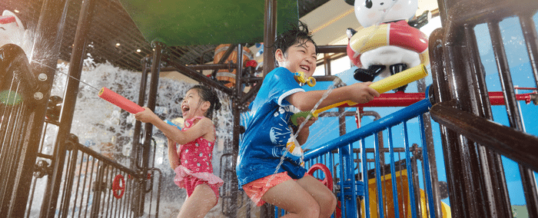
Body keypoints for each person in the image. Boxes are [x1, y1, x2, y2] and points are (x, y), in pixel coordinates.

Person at [237, 21, 380, 218]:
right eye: (302, 52)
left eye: (314, 56)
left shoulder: (291, 93)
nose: (310, 59)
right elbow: (303, 102)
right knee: (308, 210)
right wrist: (349, 92)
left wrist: (301, 125)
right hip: (258, 163)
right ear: (280, 55)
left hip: (283, 162)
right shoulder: (279, 75)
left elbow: (300, 140)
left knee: (326, 201)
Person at [135, 85, 223, 218]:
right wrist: (171, 142)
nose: (184, 101)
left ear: (205, 105)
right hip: (193, 187)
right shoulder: (186, 131)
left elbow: (182, 138)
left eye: (190, 97)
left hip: (204, 186)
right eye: (184, 98)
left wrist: (153, 118)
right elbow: (176, 166)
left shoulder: (206, 123)